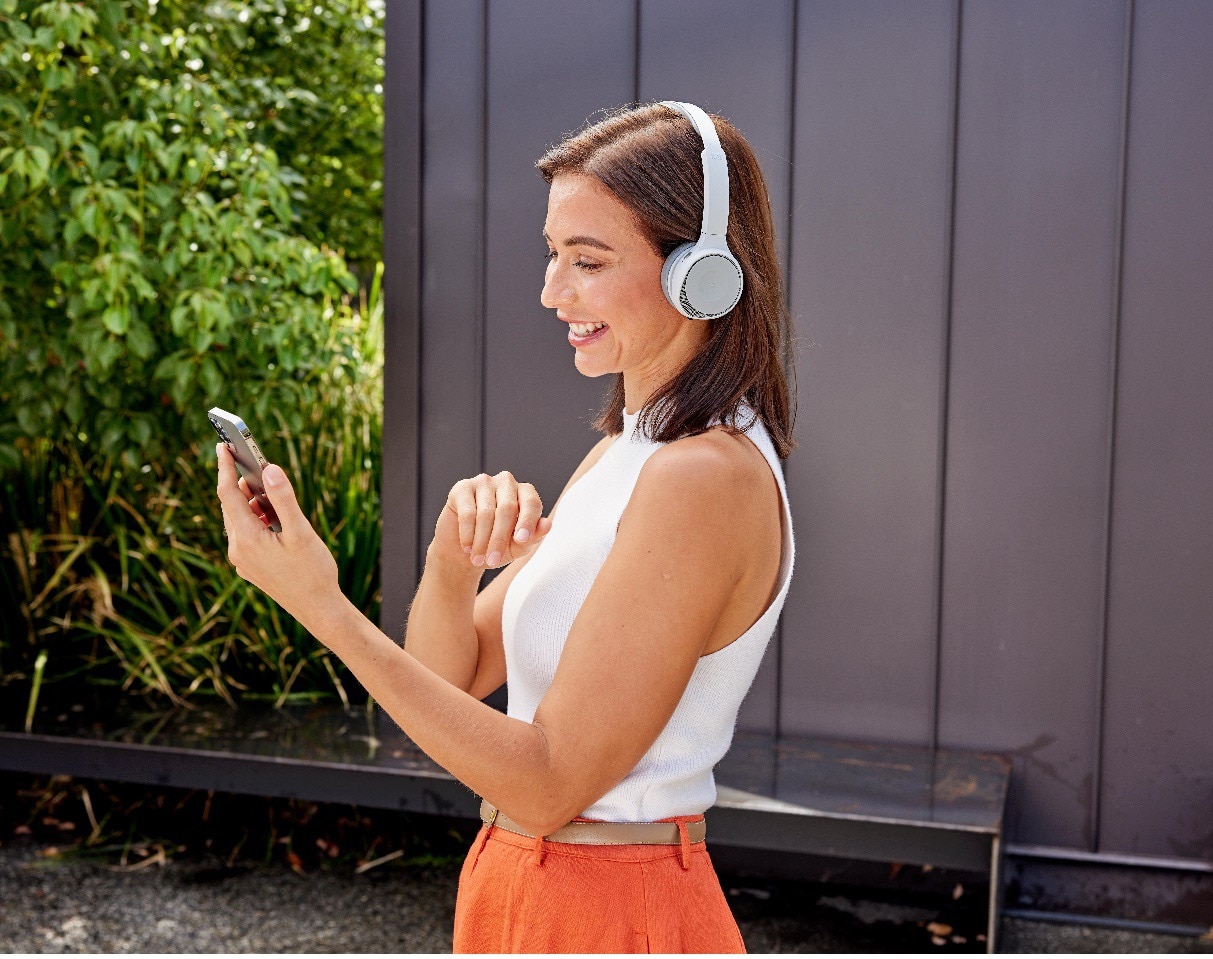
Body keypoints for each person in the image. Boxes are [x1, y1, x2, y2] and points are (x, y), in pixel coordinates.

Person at [213, 100, 795, 953]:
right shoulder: (628, 449)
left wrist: (320, 606)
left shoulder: (703, 478)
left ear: (700, 273)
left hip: (606, 908)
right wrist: (452, 561)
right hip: (525, 886)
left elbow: (549, 782)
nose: (552, 291)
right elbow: (449, 681)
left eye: (587, 261)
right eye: (554, 254)